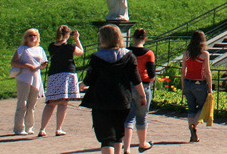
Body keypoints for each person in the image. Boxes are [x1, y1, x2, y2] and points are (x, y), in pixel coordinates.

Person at [79, 24, 145, 154]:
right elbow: (136, 79)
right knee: (118, 135)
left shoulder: (97, 57)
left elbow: (90, 78)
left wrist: (81, 85)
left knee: (106, 139)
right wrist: (142, 96)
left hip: (101, 100)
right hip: (122, 99)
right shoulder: (129, 56)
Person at [39, 25, 83, 137]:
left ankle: (42, 129)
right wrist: (77, 39)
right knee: (63, 103)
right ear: (68, 34)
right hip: (67, 73)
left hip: (54, 74)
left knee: (51, 103)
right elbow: (80, 52)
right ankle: (58, 128)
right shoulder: (69, 46)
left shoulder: (51, 46)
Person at [123, 28, 155, 152]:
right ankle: (142, 143)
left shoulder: (126, 52)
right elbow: (151, 73)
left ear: (133, 38)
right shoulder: (149, 53)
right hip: (143, 86)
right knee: (142, 117)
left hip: (128, 86)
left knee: (128, 118)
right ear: (145, 39)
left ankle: (126, 147)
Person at [12, 28, 48, 135]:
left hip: (36, 78)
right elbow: (14, 62)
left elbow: (43, 63)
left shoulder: (40, 49)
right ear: (26, 38)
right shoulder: (22, 49)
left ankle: (29, 127)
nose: (32, 38)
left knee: (32, 104)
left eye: (34, 36)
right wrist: (26, 65)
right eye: (30, 35)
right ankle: (19, 128)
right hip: (23, 78)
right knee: (22, 103)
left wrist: (42, 65)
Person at [181, 30, 212, 143]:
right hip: (199, 82)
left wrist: (183, 86)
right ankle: (194, 125)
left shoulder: (187, 53)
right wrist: (210, 87)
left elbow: (183, 70)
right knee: (203, 106)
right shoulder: (204, 54)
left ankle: (192, 133)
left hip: (188, 82)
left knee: (191, 108)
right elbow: (207, 71)